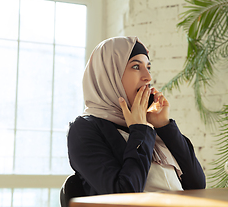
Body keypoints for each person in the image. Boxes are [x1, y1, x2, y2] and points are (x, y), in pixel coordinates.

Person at [67, 36, 206, 196]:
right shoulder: (84, 130)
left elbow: (197, 184)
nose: (148, 77)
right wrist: (140, 130)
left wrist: (164, 126)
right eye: (135, 66)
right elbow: (125, 194)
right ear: (110, 75)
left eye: (148, 67)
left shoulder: (150, 125)